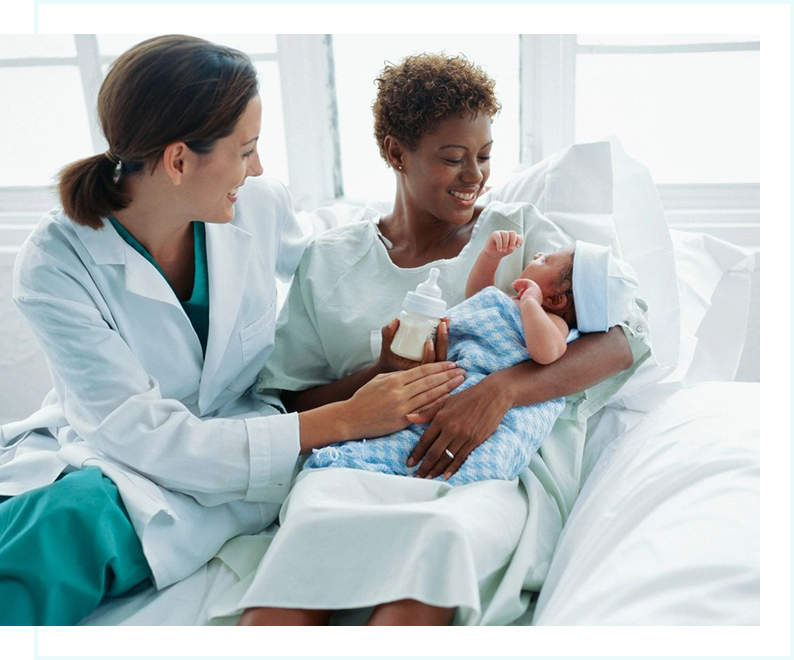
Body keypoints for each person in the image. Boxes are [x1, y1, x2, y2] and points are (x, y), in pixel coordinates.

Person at [0, 36, 461, 625]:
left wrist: (440, 231)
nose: (260, 168)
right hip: (119, 460)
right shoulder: (57, 260)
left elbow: (340, 262)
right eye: (246, 150)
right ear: (178, 160)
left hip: (232, 457)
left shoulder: (256, 205)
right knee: (65, 520)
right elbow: (135, 434)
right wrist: (342, 419)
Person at [233, 52, 651, 626]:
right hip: (356, 466)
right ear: (395, 152)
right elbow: (288, 403)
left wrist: (500, 391)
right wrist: (379, 378)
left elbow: (625, 339)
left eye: (483, 157)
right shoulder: (330, 262)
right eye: (453, 159)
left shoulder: (519, 231)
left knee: (438, 552)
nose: (474, 177)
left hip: (487, 474)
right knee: (291, 584)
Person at [302, 233, 639, 486]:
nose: (538, 254)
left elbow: (547, 353)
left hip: (484, 391)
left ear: (555, 297)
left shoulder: (553, 323)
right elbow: (479, 297)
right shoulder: (512, 299)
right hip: (453, 375)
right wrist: (490, 258)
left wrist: (531, 305)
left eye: (547, 259)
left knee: (426, 443)